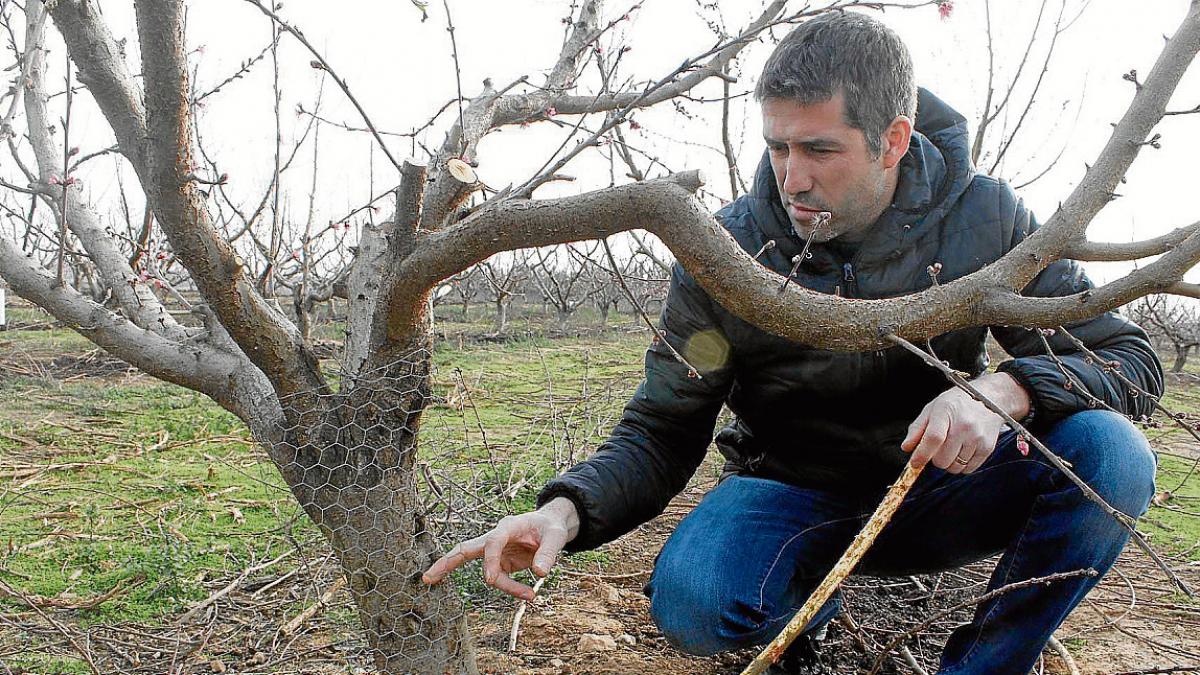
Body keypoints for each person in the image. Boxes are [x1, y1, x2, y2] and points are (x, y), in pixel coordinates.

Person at [423, 11, 1163, 674]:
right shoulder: (727, 247)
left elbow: (1128, 358)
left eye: (819, 149)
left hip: (940, 491)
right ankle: (805, 616)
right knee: (694, 599)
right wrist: (564, 511)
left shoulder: (985, 217)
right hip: (791, 491)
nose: (792, 177)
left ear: (893, 141)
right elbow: (663, 425)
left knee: (1113, 452)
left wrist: (1008, 390)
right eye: (778, 146)